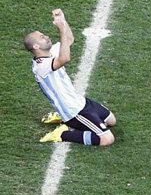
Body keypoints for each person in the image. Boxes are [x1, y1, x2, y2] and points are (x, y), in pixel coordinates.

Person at [24, 9, 117, 146]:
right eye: (42, 37)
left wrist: (63, 21)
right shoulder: (41, 66)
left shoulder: (50, 53)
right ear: (36, 46)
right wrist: (61, 29)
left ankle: (61, 117)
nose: (47, 36)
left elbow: (69, 40)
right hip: (73, 110)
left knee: (111, 121)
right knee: (107, 139)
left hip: (80, 102)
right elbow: (65, 58)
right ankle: (62, 134)